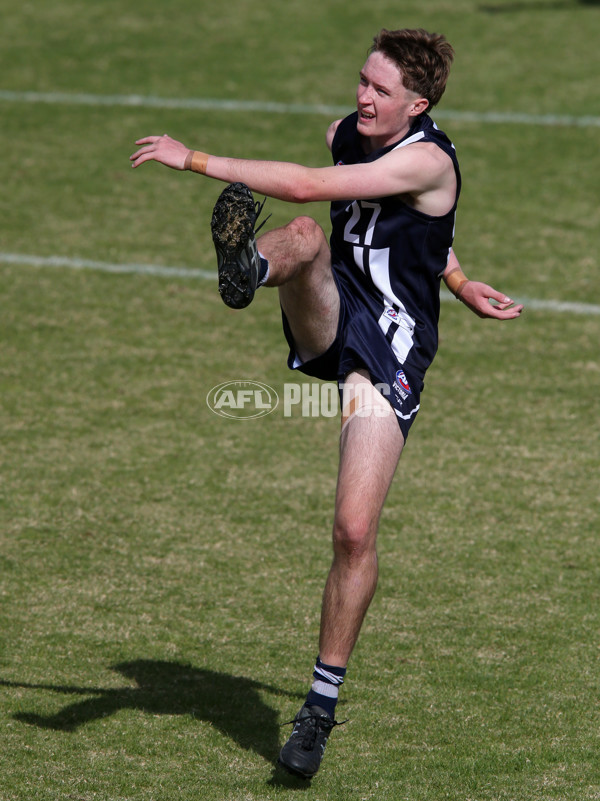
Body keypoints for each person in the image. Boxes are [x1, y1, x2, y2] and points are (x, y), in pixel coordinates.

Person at [130, 27, 523, 779]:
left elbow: (326, 186)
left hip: (391, 348)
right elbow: (415, 226)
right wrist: (462, 275)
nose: (362, 96)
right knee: (306, 236)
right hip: (334, 308)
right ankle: (250, 265)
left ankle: (318, 703)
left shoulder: (429, 159)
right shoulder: (351, 134)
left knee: (352, 528)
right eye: (362, 80)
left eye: (380, 89)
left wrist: (197, 158)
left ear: (420, 102)